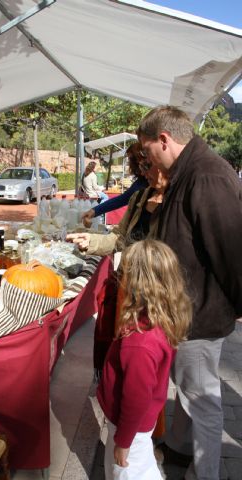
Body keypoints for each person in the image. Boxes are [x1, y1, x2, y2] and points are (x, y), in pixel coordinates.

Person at [137, 105, 242, 480]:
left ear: (164, 140)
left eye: (147, 151)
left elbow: (231, 249)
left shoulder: (207, 175)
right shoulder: (188, 171)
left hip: (200, 312)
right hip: (186, 308)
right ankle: (180, 448)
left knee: (203, 401)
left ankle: (207, 473)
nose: (148, 160)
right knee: (188, 386)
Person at [98, 239, 192, 480]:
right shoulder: (156, 320)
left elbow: (136, 397)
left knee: (129, 472)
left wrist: (123, 441)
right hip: (132, 428)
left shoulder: (140, 343)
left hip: (129, 429)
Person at [82, 143, 148, 228]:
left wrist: (94, 211)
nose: (130, 165)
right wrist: (94, 211)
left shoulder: (146, 183)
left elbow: (122, 199)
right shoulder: (140, 182)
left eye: (131, 160)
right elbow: (122, 199)